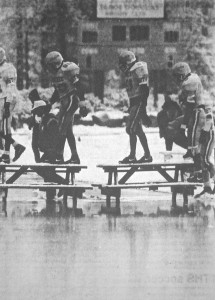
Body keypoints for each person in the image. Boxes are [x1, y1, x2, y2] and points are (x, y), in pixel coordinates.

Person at [45, 51, 88, 164]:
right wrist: (50, 103)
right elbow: (58, 91)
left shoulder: (66, 70)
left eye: (50, 65)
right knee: (68, 131)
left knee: (61, 127)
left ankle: (59, 155)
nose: (49, 68)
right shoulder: (55, 74)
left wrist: (82, 103)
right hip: (64, 102)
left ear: (55, 63)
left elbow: (79, 86)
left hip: (71, 100)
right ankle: (75, 156)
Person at [118, 50, 152, 164]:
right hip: (134, 103)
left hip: (139, 102)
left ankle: (133, 156)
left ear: (128, 62)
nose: (121, 66)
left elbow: (144, 89)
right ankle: (147, 155)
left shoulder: (139, 68)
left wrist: (143, 109)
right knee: (137, 129)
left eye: (123, 63)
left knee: (131, 129)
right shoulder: (130, 71)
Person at [31, 99, 67, 187]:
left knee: (40, 169)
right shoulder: (41, 121)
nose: (35, 113)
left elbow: (57, 139)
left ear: (42, 109)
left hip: (52, 152)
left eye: (36, 110)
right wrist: (37, 156)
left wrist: (59, 155)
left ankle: (64, 184)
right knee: (44, 172)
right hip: (48, 152)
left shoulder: (51, 120)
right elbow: (34, 142)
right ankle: (58, 189)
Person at [0, 47, 25, 163]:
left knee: (5, 127)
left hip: (7, 99)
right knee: (3, 128)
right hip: (2, 99)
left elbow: (11, 87)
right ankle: (12, 149)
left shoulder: (8, 68)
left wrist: (7, 104)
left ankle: (12, 150)